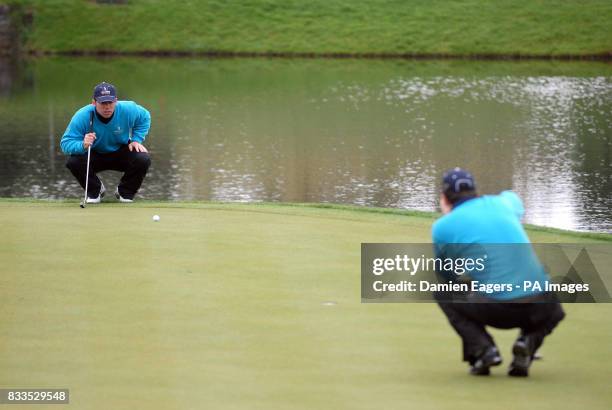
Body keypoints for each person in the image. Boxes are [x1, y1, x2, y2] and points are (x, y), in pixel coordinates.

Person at [432, 167, 565, 377]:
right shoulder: (504, 203)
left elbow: (448, 276)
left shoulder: (443, 227)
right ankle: (528, 342)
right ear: (475, 191)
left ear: (444, 197)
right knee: (554, 306)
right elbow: (515, 199)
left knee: (443, 291)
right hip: (539, 305)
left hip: (497, 310)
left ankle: (485, 351)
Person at [61, 82, 151, 203]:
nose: (107, 107)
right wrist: (82, 144)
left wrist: (136, 139)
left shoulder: (128, 109)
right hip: (94, 152)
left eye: (110, 102)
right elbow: (65, 144)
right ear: (94, 102)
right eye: (103, 103)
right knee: (74, 162)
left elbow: (145, 117)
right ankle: (95, 190)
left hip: (121, 150)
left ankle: (125, 193)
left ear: (116, 101)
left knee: (143, 158)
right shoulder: (82, 115)